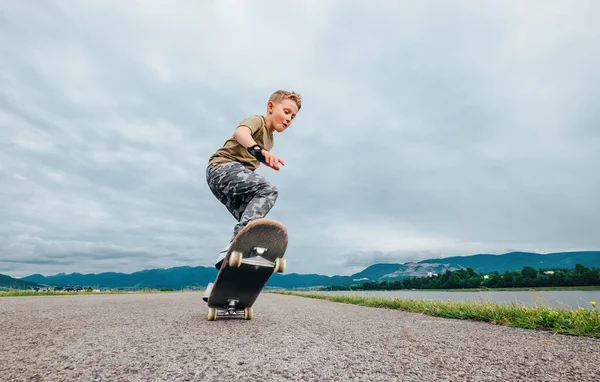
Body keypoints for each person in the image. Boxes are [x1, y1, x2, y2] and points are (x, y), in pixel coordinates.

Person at [202, 90, 302, 301]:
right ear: (270, 107)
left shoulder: (271, 140)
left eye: (293, 117)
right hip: (221, 168)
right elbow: (240, 133)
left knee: (250, 225)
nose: (289, 119)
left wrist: (265, 157)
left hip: (224, 182)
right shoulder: (258, 120)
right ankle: (233, 247)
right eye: (286, 112)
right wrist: (258, 150)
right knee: (268, 191)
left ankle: (222, 278)